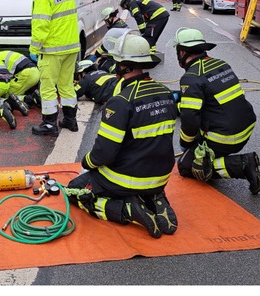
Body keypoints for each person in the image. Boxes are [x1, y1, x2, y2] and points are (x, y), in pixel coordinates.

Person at [65, 33, 178, 238]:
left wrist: (86, 163)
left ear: (123, 65)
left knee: (74, 191)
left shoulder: (121, 102)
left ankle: (127, 211)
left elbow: (104, 154)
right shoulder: (166, 93)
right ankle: (154, 197)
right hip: (161, 176)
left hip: (126, 179)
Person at [173, 27, 260, 194]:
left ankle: (242, 165)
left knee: (186, 165)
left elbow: (190, 120)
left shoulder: (191, 77)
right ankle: (226, 159)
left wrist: (186, 143)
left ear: (182, 52)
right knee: (198, 144)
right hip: (246, 127)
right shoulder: (221, 64)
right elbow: (211, 93)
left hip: (226, 137)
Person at [28, 0, 80, 136]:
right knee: (66, 85)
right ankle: (70, 120)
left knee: (48, 87)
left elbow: (40, 25)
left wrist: (34, 49)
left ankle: (49, 125)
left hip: (52, 50)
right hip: (71, 47)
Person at [0, 48, 38, 114]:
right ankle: (35, 97)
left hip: (26, 74)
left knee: (5, 95)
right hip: (35, 71)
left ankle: (27, 99)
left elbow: (2, 81)